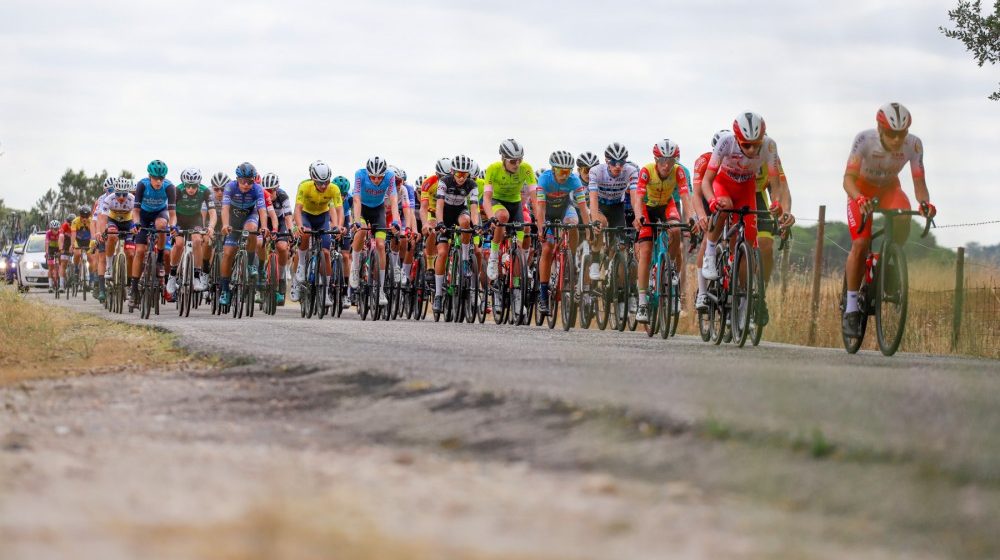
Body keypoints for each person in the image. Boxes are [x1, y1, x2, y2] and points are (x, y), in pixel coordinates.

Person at [841, 102, 935, 338]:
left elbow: (919, 183)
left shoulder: (914, 144)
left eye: (901, 134)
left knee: (903, 215)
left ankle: (887, 261)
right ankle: (851, 307)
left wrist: (925, 204)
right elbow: (848, 180)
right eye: (892, 134)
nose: (896, 140)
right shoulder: (863, 140)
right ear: (880, 129)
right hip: (860, 191)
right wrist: (859, 198)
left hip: (889, 189)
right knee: (861, 244)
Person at [634, 139, 694, 323]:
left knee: (675, 229)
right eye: (662, 160)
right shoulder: (646, 171)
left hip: (666, 205)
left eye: (671, 160)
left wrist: (691, 218)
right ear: (655, 159)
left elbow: (685, 196)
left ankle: (671, 272)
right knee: (645, 252)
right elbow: (638, 198)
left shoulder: (679, 172)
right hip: (647, 208)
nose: (666, 165)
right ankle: (643, 303)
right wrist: (638, 216)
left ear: (676, 160)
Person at [535, 150, 589, 316]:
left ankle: (569, 257)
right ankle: (543, 296)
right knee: (547, 248)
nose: (565, 175)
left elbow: (582, 207)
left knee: (574, 223)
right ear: (553, 169)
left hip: (565, 209)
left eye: (568, 171)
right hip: (549, 212)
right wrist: (541, 227)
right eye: (561, 171)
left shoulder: (574, 180)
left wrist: (588, 228)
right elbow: (541, 207)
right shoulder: (544, 179)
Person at [431, 154, 481, 313]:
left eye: (465, 174)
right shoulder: (444, 182)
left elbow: (473, 208)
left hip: (460, 210)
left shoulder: (472, 184)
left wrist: (477, 225)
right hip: (445, 213)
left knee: (466, 223)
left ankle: (465, 260)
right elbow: (439, 206)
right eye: (458, 174)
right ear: (452, 171)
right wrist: (439, 223)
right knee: (443, 252)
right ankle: (438, 295)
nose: (461, 178)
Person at [349, 156, 401, 307]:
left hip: (378, 210)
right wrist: (357, 221)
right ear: (368, 173)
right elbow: (357, 200)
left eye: (380, 177)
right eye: (373, 177)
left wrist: (396, 221)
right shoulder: (360, 174)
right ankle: (356, 266)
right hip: (362, 209)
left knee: (380, 245)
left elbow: (393, 199)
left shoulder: (390, 176)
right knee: (362, 231)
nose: (377, 180)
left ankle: (381, 289)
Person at [483, 139, 536, 282]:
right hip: (497, 202)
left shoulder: (526, 168)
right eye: (513, 161)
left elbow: (535, 197)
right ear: (503, 159)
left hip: (515, 204)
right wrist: (490, 217)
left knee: (518, 250)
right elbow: (486, 199)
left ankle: (517, 291)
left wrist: (540, 220)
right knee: (502, 216)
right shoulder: (493, 169)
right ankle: (493, 258)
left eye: (519, 160)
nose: (517, 164)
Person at [587, 142, 639, 281]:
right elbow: (592, 198)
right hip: (600, 204)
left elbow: (635, 198)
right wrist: (595, 218)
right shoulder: (596, 171)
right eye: (614, 162)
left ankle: (614, 275)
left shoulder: (631, 171)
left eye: (621, 162)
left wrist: (638, 216)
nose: (618, 166)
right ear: (606, 161)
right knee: (600, 223)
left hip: (617, 206)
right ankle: (595, 262)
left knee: (621, 245)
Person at [219, 162, 269, 306]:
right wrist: (225, 225)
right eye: (242, 181)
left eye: (250, 181)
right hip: (233, 220)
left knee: (252, 228)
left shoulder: (258, 189)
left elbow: (262, 210)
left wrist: (264, 226)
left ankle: (251, 265)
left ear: (254, 180)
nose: (246, 185)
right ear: (237, 179)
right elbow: (225, 209)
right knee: (228, 253)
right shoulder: (230, 187)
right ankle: (225, 290)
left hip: (249, 216)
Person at [292, 161, 343, 303]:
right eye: (320, 183)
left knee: (326, 253)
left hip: (322, 217)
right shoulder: (305, 187)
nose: (323, 186)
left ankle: (326, 293)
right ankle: (301, 266)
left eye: (326, 182)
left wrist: (338, 226)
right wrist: (300, 226)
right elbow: (297, 209)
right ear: (313, 179)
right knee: (306, 232)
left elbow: (339, 209)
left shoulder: (334, 189)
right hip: (306, 216)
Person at [129, 159, 176, 303]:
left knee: (162, 225)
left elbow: (172, 214)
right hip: (142, 215)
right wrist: (136, 223)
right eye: (155, 178)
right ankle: (134, 289)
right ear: (150, 176)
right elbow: (135, 211)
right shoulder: (142, 185)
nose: (158, 181)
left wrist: (173, 226)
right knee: (140, 251)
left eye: (161, 178)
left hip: (160, 213)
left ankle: (160, 259)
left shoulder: (169, 187)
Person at [167, 168, 215, 295]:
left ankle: (196, 275)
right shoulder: (177, 190)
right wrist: (172, 226)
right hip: (179, 218)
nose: (191, 189)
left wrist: (211, 227)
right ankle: (172, 276)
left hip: (195, 219)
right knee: (178, 244)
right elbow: (171, 212)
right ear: (184, 183)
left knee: (197, 240)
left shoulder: (205, 191)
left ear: (198, 184)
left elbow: (212, 212)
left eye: (194, 186)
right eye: (188, 185)